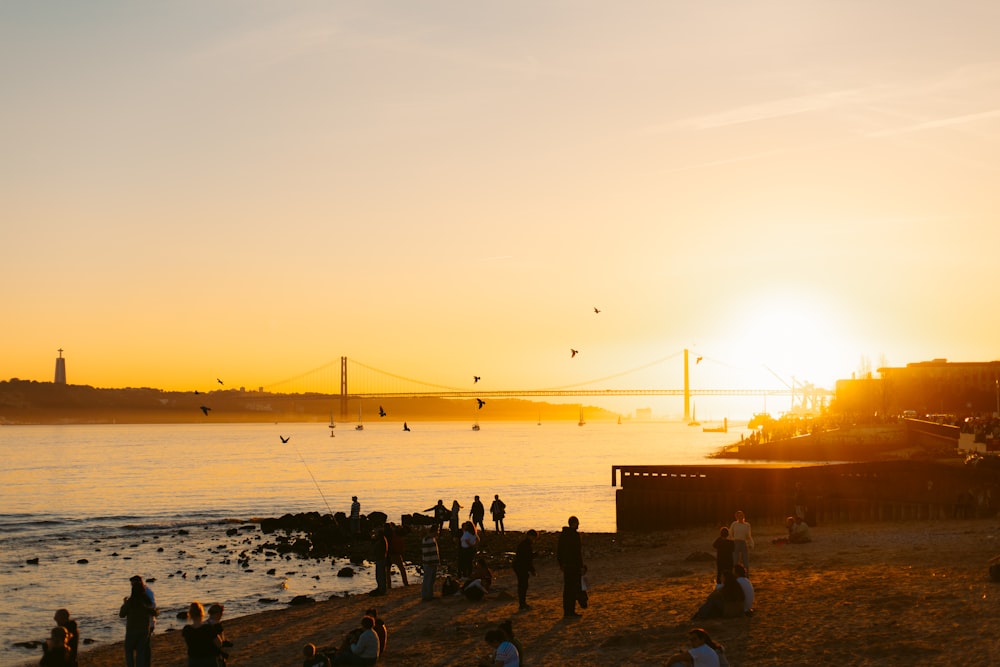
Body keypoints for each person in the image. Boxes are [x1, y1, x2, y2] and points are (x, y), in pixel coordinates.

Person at [119, 575, 157, 667]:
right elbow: (154, 611)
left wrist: (125, 604)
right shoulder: (145, 601)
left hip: (132, 630)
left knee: (129, 651)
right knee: (141, 652)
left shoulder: (131, 601)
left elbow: (122, 614)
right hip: (144, 629)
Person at [556, 515, 584, 618]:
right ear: (574, 524)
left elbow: (559, 550)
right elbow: (577, 553)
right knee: (572, 589)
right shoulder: (574, 536)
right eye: (577, 523)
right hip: (573, 565)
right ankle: (570, 612)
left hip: (566, 565)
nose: (578, 525)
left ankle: (567, 612)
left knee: (567, 589)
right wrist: (581, 566)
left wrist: (561, 563)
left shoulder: (563, 535)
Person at [182, 602, 223, 667]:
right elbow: (219, 643)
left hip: (194, 660)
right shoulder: (208, 628)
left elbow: (188, 646)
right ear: (202, 613)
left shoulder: (187, 630)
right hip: (209, 660)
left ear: (190, 615)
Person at [512, 529, 537, 610]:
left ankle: (522, 603)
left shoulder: (525, 544)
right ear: (530, 536)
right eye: (534, 537)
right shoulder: (526, 545)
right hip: (520, 567)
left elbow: (527, 557)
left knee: (523, 585)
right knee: (523, 585)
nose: (534, 540)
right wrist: (532, 570)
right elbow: (527, 559)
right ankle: (522, 604)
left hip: (520, 566)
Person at [420, 525, 440, 601]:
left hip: (433, 562)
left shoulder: (432, 539)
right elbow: (426, 553)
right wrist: (430, 562)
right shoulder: (427, 540)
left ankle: (429, 594)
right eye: (437, 531)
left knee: (431, 579)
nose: (438, 532)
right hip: (429, 563)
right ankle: (426, 596)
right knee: (428, 579)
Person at [370, 526, 388, 596]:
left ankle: (382, 589)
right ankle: (381, 588)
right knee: (380, 575)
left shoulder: (382, 541)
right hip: (380, 559)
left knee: (380, 575)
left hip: (380, 559)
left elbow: (378, 549)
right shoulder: (382, 540)